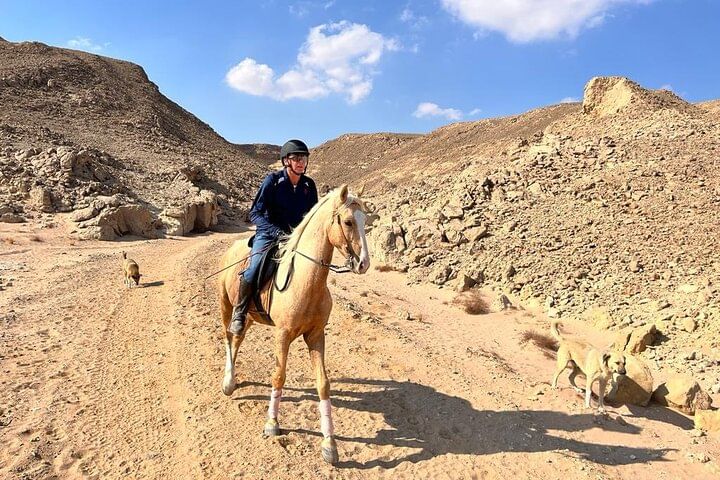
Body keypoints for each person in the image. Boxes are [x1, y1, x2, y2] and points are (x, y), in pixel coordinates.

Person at [228, 139, 319, 335]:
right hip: (269, 234)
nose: (301, 162)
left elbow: (313, 216)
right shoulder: (273, 181)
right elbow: (255, 213)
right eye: (296, 158)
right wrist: (275, 231)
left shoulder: (309, 185)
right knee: (254, 268)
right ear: (286, 161)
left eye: (304, 158)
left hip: (295, 237)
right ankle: (240, 312)